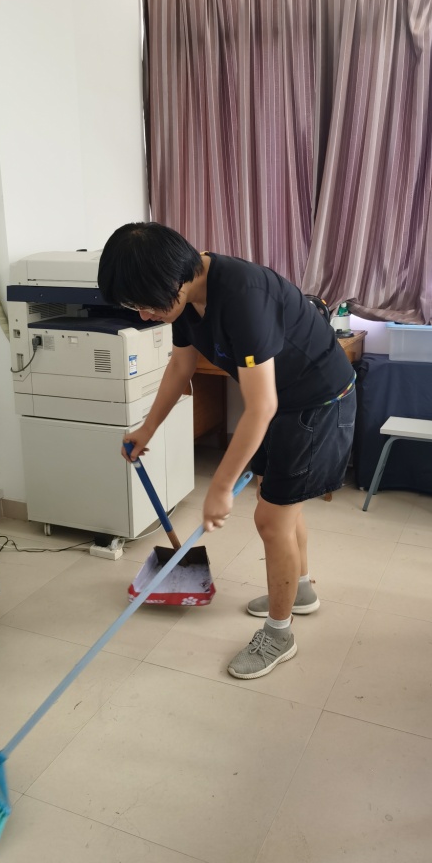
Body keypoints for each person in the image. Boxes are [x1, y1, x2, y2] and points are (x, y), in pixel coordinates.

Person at [98, 222, 356, 679]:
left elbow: (261, 405)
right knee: (277, 503)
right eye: (134, 306)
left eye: (146, 303)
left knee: (271, 518)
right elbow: (181, 366)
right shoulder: (183, 299)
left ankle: (279, 634)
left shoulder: (242, 296)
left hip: (316, 403)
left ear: (175, 280)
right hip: (284, 401)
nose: (144, 315)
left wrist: (219, 486)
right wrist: (147, 428)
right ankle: (299, 590)